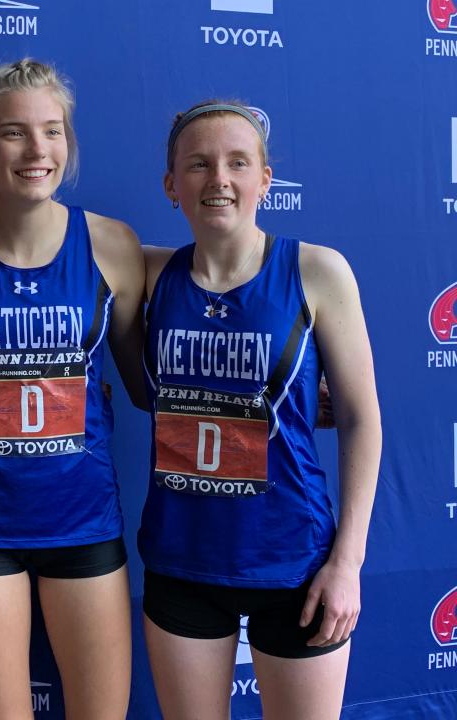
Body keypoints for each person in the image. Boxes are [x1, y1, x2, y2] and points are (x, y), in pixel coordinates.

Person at [0, 59, 145, 720]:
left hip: (84, 517)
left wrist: (294, 392)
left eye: (52, 131)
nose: (37, 150)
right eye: (14, 133)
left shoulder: (112, 245)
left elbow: (146, 384)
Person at [139, 100, 381, 720]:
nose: (218, 178)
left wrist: (347, 561)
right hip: (182, 559)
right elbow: (44, 239)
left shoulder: (317, 270)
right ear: (172, 185)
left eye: (237, 163)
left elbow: (360, 418)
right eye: (198, 164)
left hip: (295, 562)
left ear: (264, 180)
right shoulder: (146, 271)